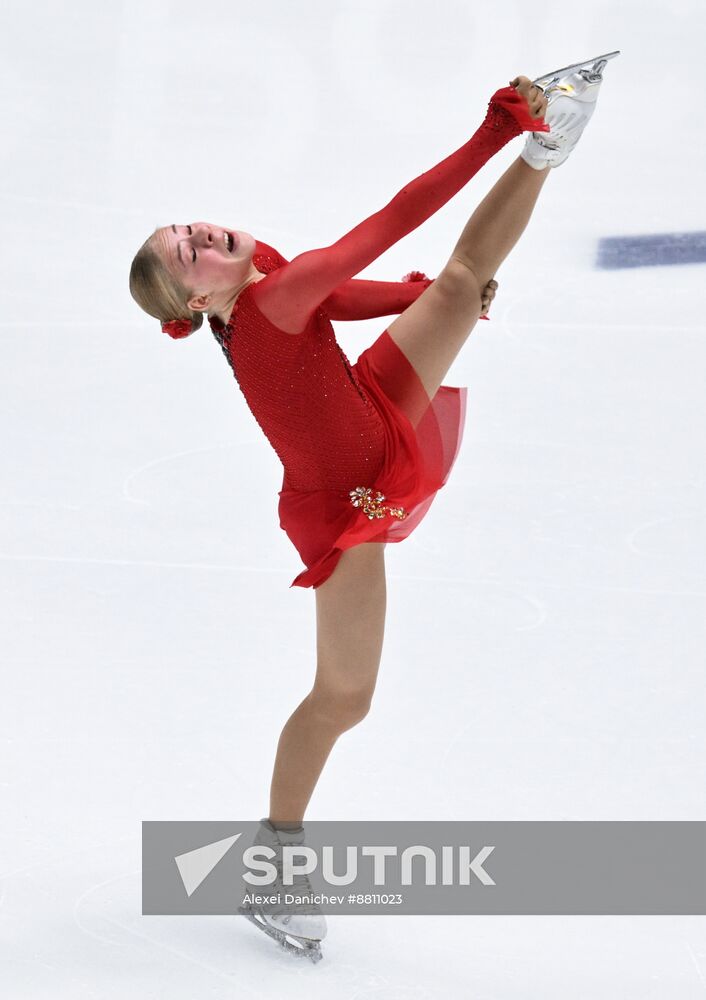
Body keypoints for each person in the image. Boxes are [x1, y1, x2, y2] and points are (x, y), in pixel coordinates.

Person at [129, 57, 617, 960]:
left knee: (464, 281)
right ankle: (272, 858)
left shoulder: (267, 283)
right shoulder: (270, 295)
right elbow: (391, 219)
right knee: (345, 698)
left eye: (188, 227)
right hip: (343, 500)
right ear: (201, 299)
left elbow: (340, 301)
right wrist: (489, 131)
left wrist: (420, 297)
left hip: (369, 408)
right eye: (188, 251)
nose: (202, 234)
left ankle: (550, 147)